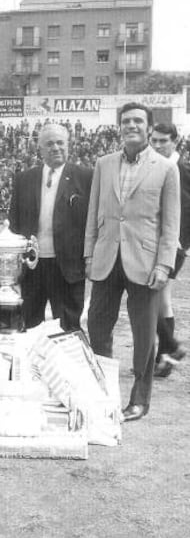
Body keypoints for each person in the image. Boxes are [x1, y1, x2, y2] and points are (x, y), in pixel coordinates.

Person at [85, 102, 180, 422]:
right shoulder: (104, 164)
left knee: (143, 336)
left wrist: (164, 265)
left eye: (138, 121)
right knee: (98, 329)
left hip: (145, 263)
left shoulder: (166, 168)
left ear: (149, 127)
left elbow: (171, 224)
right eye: (126, 121)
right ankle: (103, 394)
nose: (131, 125)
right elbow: (93, 213)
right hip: (106, 259)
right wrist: (88, 253)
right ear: (119, 127)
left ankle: (139, 400)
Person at [9, 123, 93, 331]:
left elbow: (91, 223)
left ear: (68, 145)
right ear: (40, 149)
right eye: (49, 144)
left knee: (68, 328)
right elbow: (15, 222)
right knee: (28, 326)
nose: (55, 147)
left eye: (60, 142)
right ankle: (30, 365)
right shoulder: (24, 179)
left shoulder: (86, 177)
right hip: (32, 266)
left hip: (67, 268)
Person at [150, 123, 190, 376]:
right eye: (154, 140)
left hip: (171, 245)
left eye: (163, 141)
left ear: (175, 141)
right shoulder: (164, 167)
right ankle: (164, 360)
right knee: (162, 301)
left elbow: (185, 210)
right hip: (165, 242)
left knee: (148, 297)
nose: (157, 146)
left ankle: (170, 347)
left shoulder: (179, 169)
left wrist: (181, 241)